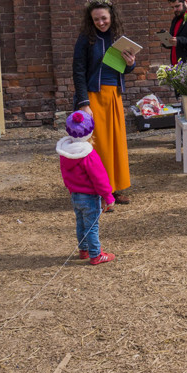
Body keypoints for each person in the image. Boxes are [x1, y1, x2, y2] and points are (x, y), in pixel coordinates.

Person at [72, 0, 135, 204]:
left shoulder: (118, 37)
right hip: (94, 97)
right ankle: (99, 193)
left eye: (104, 18)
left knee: (116, 145)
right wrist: (84, 103)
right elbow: (78, 72)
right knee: (100, 148)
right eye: (96, 19)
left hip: (114, 96)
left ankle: (113, 189)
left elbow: (123, 69)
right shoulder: (86, 39)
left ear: (111, 16)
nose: (100, 22)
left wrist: (131, 63)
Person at [57, 110, 115, 265]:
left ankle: (83, 250)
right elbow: (99, 178)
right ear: (90, 131)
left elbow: (66, 174)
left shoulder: (65, 153)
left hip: (75, 195)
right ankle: (95, 254)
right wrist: (108, 196)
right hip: (89, 197)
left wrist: (71, 189)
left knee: (81, 223)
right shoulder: (89, 155)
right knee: (92, 226)